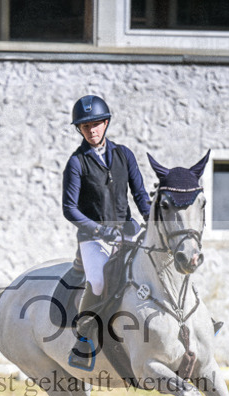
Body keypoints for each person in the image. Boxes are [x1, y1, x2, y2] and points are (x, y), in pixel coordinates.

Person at [62, 95, 151, 364]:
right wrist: (100, 231)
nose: (92, 130)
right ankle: (84, 339)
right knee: (99, 281)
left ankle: (193, 319)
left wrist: (154, 223)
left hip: (127, 230)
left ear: (106, 123)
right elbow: (70, 209)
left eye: (96, 124)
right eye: (85, 126)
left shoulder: (124, 154)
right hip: (93, 238)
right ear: (79, 129)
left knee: (161, 261)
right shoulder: (76, 163)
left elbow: (140, 196)